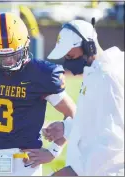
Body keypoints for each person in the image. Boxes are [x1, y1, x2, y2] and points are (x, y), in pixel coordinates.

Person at [0, 12, 76, 176]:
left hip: (26, 162)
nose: (9, 61)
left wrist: (54, 150)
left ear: (25, 46)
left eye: (14, 54)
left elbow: (72, 114)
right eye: (1, 56)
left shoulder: (42, 74)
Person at [43, 19, 124, 176]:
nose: (68, 63)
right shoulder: (95, 72)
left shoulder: (107, 76)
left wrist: (75, 172)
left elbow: (114, 140)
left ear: (89, 46)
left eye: (71, 56)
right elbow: (96, 121)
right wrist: (66, 128)